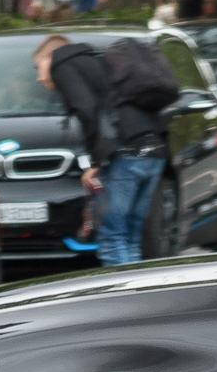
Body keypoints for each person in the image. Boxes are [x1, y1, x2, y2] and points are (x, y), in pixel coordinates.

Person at [34, 35, 168, 265]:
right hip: (153, 150)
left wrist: (96, 163)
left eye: (38, 67)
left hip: (126, 157)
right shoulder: (96, 61)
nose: (38, 77)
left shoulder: (62, 64)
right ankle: (134, 293)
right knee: (129, 236)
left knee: (111, 237)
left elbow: (87, 109)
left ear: (50, 56)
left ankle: (120, 296)